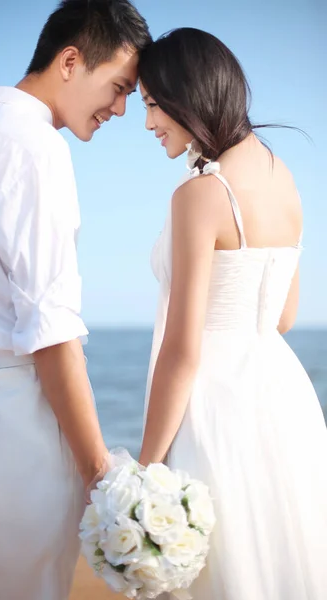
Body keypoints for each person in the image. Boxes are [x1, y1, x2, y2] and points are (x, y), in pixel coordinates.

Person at [0, 1, 151, 599]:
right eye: (119, 87)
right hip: (15, 409)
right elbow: (50, 328)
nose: (121, 109)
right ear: (71, 61)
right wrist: (98, 469)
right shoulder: (36, 147)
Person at [138, 28, 327, 600]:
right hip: (282, 398)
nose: (148, 123)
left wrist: (143, 474)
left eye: (151, 104)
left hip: (214, 404)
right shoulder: (283, 177)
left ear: (188, 94)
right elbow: (284, 317)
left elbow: (182, 347)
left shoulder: (199, 194)